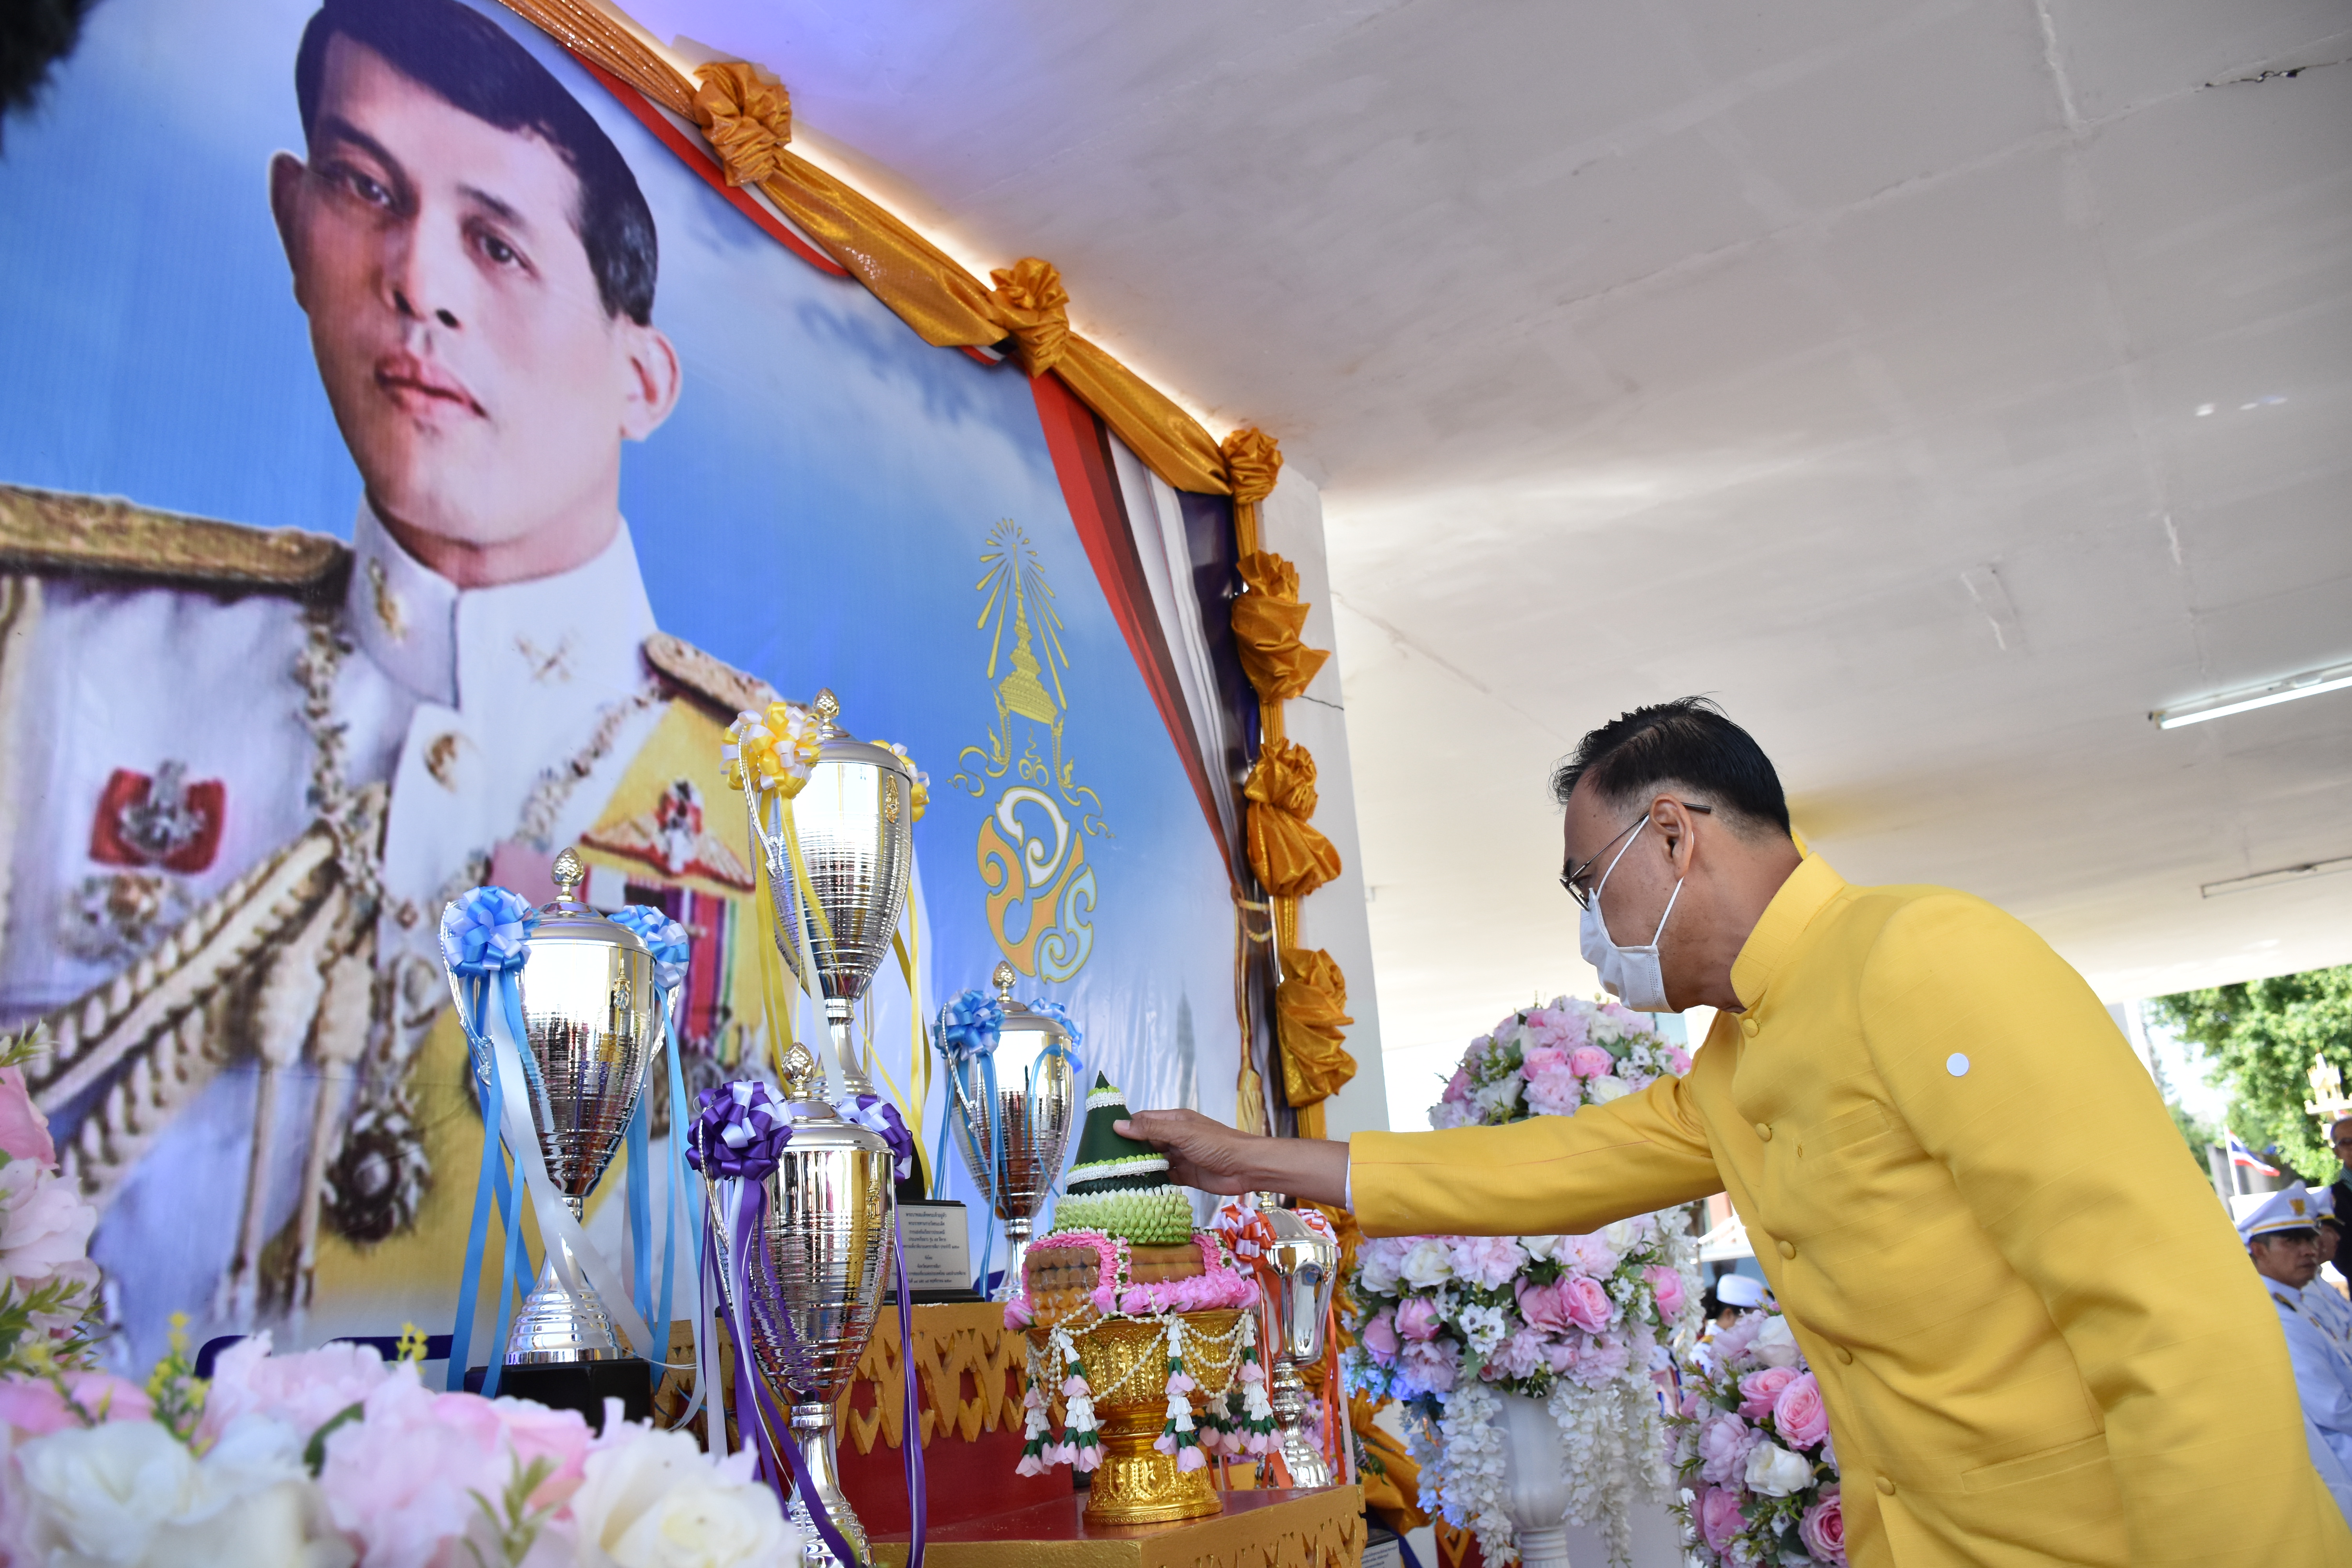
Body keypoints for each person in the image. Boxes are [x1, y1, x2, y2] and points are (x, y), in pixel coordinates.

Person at [1123, 698, 2351, 1566]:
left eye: (1585, 883)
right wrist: (1251, 1158)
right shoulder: (1738, 1054)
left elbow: (2169, 1318)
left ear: (1672, 833)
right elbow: (1553, 1165)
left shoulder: (1921, 954)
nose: (1588, 925)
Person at [0, 0, 764, 1362]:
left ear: (641, 378)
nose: (419, 283)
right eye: (366, 189)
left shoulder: (779, 810)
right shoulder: (59, 662)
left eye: (497, 242)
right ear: (296, 224)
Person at [2238, 1185, 2352, 1522]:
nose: (2308, 1250)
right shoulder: (2276, 1314)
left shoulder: (2293, 1301)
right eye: (2291, 1241)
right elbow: (2333, 1409)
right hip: (2337, 1462)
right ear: (2258, 1250)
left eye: (2309, 1239)